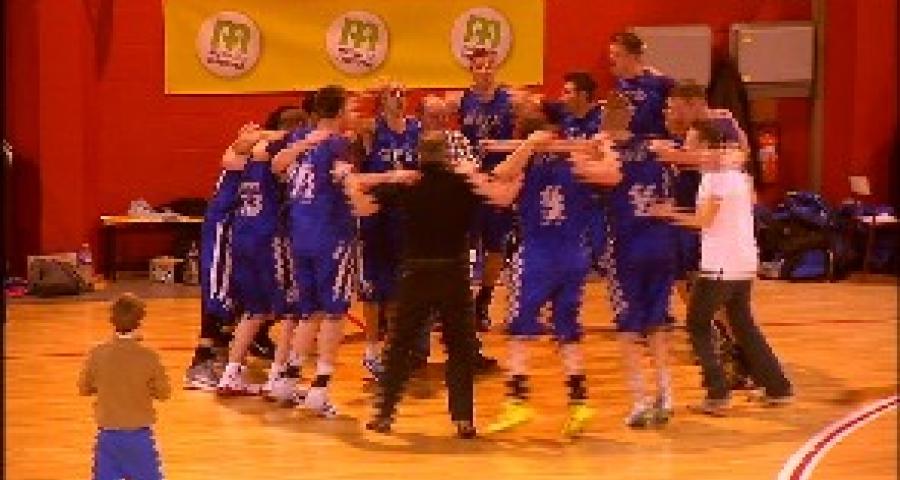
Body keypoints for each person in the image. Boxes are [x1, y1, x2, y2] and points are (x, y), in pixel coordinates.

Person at [482, 116, 621, 438]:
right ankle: (579, 401)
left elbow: (500, 178)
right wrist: (604, 147)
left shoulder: (529, 165)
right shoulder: (576, 160)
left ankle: (517, 400)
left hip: (538, 257)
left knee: (519, 329)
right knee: (566, 330)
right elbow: (613, 174)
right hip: (573, 257)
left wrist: (527, 147)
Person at [349, 136, 490, 439]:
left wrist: (383, 177)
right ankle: (464, 419)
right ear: (448, 156)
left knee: (400, 345)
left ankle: (384, 413)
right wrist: (473, 173)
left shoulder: (409, 184)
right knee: (460, 347)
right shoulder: (463, 185)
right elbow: (500, 197)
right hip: (454, 273)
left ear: (420, 156)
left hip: (416, 272)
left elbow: (361, 204)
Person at [651, 122, 793, 416]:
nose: (686, 148)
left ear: (706, 145)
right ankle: (777, 387)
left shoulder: (714, 179)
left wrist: (667, 214)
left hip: (720, 265)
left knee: (697, 324)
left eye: (691, 142)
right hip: (744, 262)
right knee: (743, 324)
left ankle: (717, 394)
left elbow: (703, 220)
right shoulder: (739, 176)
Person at [586, 92, 679, 428]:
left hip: (626, 247)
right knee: (657, 325)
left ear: (605, 117)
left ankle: (640, 401)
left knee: (628, 328)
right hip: (661, 244)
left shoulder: (602, 151)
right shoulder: (655, 147)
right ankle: (666, 395)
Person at [271, 85, 357, 417]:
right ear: (340, 111)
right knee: (334, 313)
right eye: (351, 108)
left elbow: (277, 165)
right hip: (331, 235)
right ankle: (320, 388)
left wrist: (304, 145)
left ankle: (287, 379)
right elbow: (347, 183)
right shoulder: (338, 144)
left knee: (310, 311)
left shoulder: (300, 137)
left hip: (300, 233)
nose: (354, 114)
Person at [355, 82, 421, 381]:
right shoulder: (370, 129)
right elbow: (348, 119)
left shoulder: (416, 129)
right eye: (392, 94)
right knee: (372, 288)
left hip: (403, 215)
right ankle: (371, 350)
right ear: (381, 100)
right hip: (375, 214)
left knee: (398, 287)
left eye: (402, 93)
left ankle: (395, 351)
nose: (399, 98)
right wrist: (369, 92)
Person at [454, 48, 515, 347]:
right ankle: (460, 303)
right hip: (470, 182)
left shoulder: (510, 100)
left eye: (489, 66)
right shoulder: (461, 100)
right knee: (466, 245)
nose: (485, 71)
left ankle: (484, 300)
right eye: (479, 67)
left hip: (499, 180)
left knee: (495, 246)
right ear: (471, 71)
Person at [79, 293, 171, 480]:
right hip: (139, 438)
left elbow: (84, 388)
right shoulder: (149, 357)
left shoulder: (97, 354)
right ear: (139, 321)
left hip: (108, 438)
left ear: (112, 319)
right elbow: (164, 393)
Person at [608, 31, 675, 141]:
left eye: (617, 55)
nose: (611, 59)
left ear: (633, 56)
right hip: (627, 145)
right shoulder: (620, 84)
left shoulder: (659, 81)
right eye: (611, 54)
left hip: (654, 144)